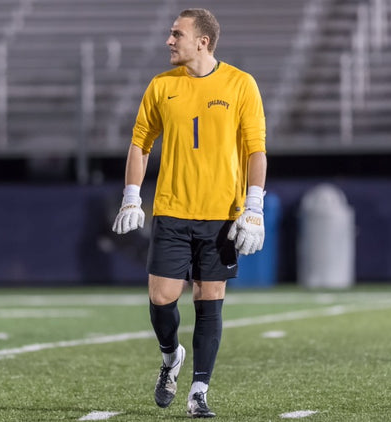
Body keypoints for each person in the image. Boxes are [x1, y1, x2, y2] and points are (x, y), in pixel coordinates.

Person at [112, 8, 267, 418]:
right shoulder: (162, 86)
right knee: (161, 298)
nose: (168, 41)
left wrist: (254, 207)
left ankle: (199, 391)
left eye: (176, 34)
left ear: (203, 41)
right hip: (172, 210)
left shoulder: (240, 84)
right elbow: (140, 143)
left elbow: (255, 150)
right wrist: (131, 196)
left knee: (209, 298)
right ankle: (170, 357)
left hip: (221, 214)